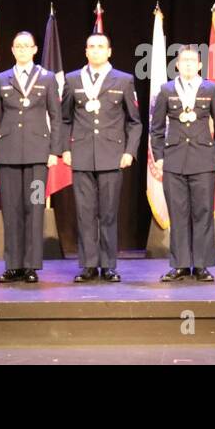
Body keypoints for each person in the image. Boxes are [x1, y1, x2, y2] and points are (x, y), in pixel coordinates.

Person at [60, 33, 143, 283]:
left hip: (112, 155)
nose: (95, 51)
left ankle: (108, 265)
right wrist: (65, 149)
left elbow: (134, 122)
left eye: (100, 47)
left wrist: (129, 151)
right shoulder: (73, 79)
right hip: (82, 155)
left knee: (108, 213)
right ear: (85, 51)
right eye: (91, 47)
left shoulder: (124, 80)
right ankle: (88, 264)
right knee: (85, 213)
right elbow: (65, 119)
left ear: (109, 52)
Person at [0, 31, 64, 284]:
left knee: (34, 207)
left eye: (26, 46)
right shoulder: (1, 79)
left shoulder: (47, 78)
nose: (22, 50)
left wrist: (54, 151)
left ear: (34, 49)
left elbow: (56, 116)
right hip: (8, 154)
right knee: (11, 211)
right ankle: (13, 265)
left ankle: (31, 265)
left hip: (37, 156)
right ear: (12, 50)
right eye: (17, 46)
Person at [151, 46, 215, 283]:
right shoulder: (166, 90)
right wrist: (160, 156)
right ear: (176, 65)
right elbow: (156, 130)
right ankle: (180, 265)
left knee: (203, 213)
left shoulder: (210, 89)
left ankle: (202, 265)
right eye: (183, 60)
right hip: (174, 161)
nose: (187, 64)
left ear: (200, 65)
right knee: (178, 213)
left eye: (192, 61)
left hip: (203, 160)